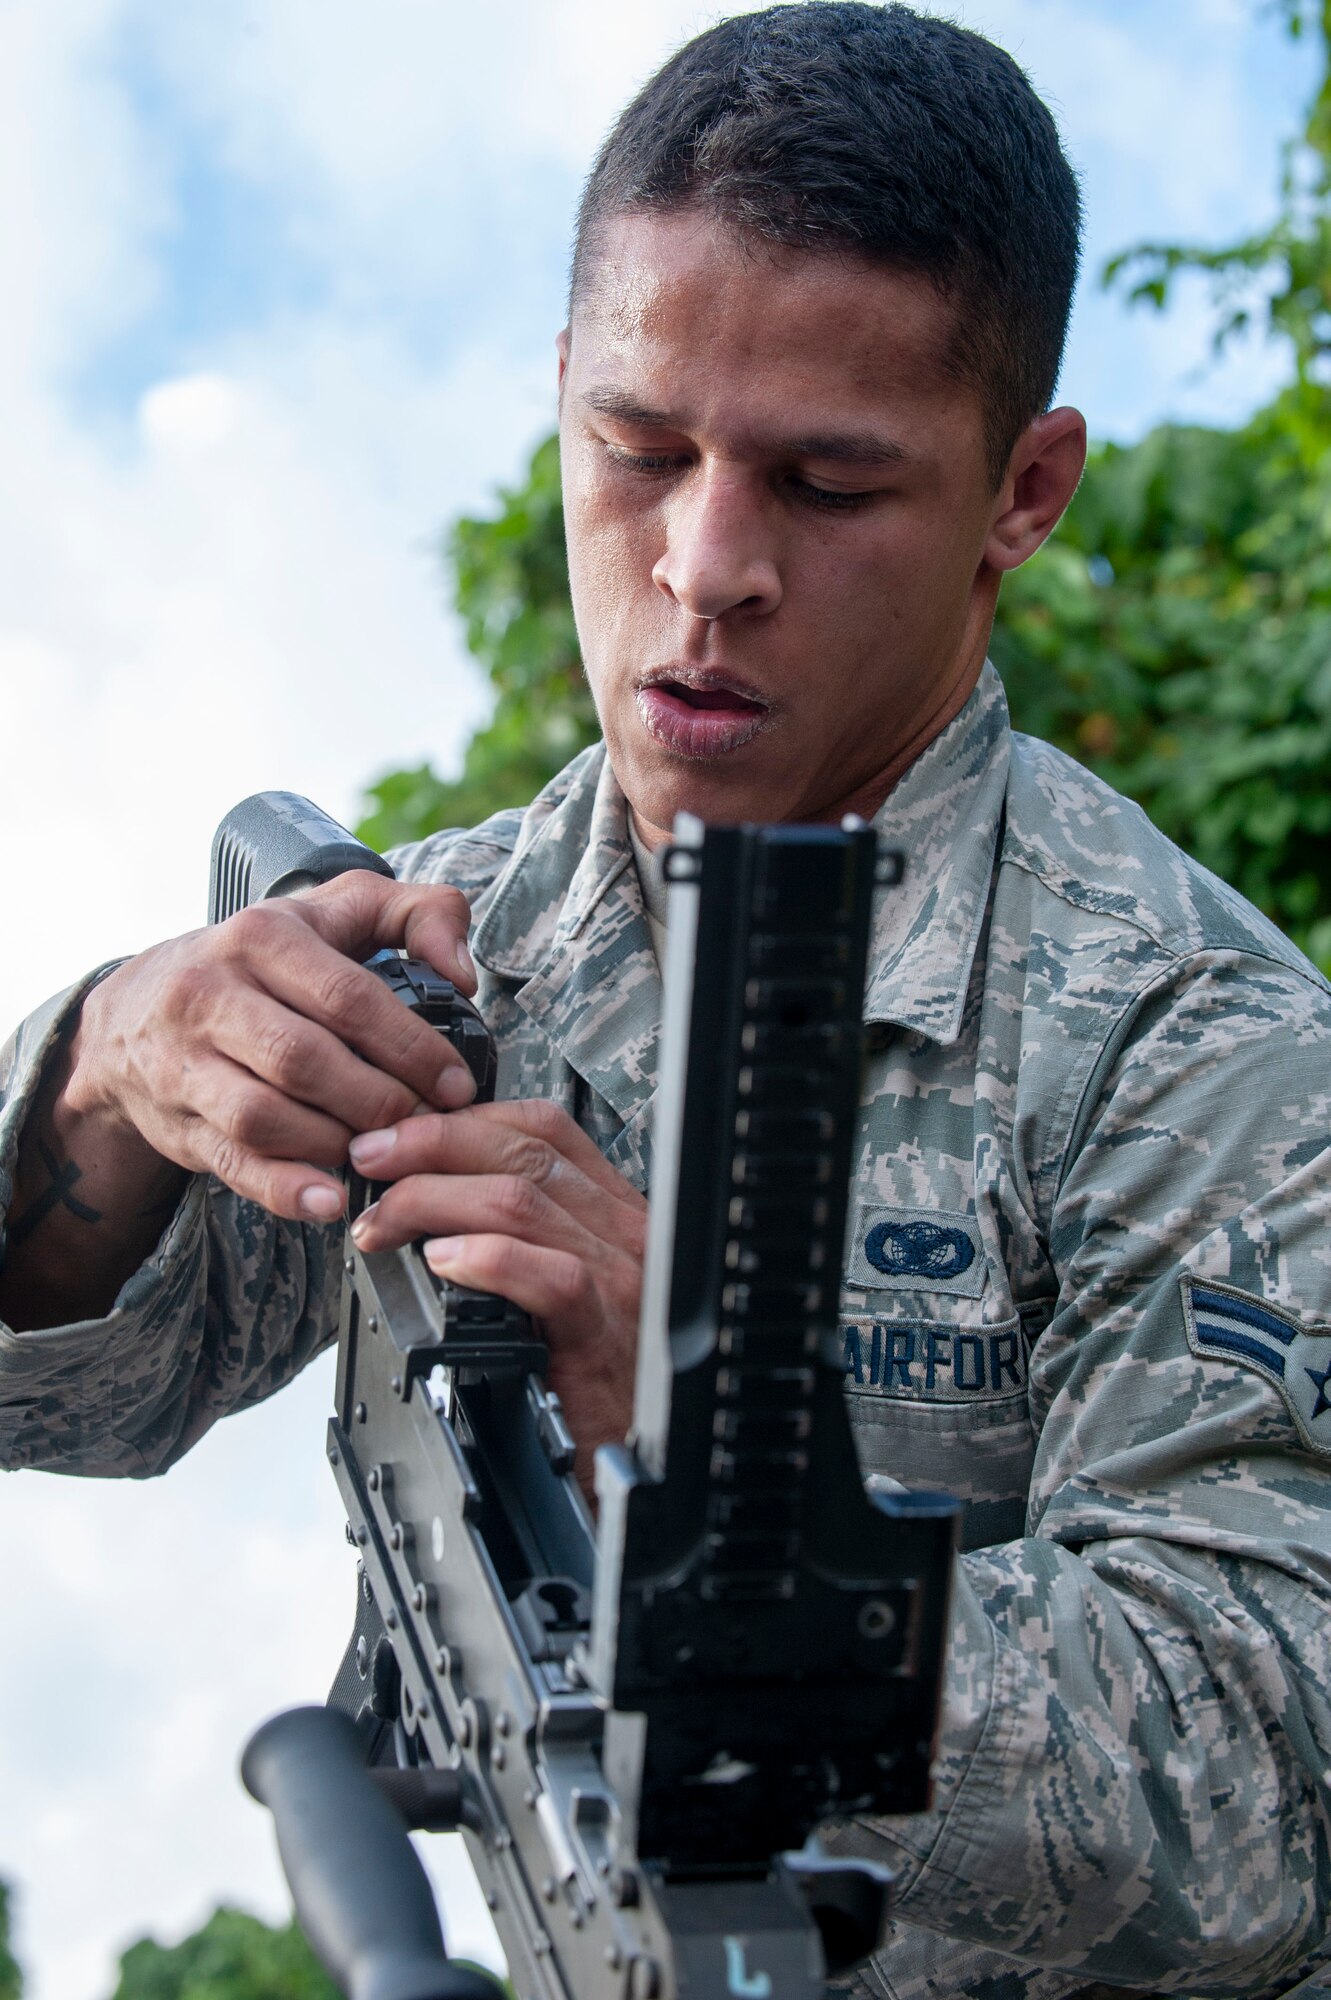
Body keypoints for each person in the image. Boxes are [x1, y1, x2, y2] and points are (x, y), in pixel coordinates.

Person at [2, 6, 1329, 1996]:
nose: (706, 567)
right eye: (641, 449)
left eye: (829, 483)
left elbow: (1264, 1805)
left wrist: (739, 1474)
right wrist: (102, 1076)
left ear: (1024, 491)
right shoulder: (451, 944)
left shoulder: (1207, 1052)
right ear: (559, 388)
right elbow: (82, 1384)